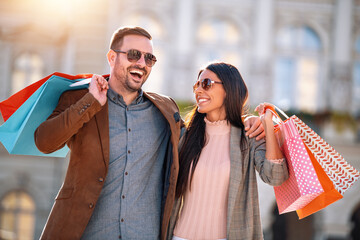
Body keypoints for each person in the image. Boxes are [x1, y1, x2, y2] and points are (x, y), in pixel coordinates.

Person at [34, 27, 264, 240]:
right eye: (133, 55)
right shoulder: (81, 100)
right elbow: (44, 142)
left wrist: (245, 121)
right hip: (86, 232)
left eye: (149, 58)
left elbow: (208, 134)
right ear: (112, 57)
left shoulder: (166, 111)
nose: (142, 63)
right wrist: (90, 102)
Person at [167, 62, 289, 240]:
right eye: (197, 85)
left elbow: (276, 176)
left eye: (206, 84)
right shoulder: (185, 136)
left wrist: (267, 125)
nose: (199, 90)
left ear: (229, 89)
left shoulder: (247, 137)